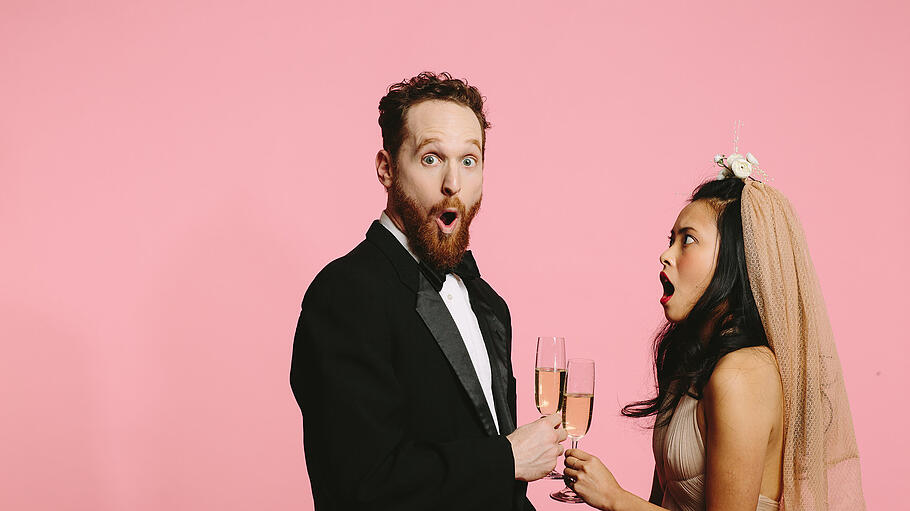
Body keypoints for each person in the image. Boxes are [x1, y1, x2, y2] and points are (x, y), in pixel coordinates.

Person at [290, 72, 566, 510]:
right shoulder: (343, 294)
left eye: (469, 161)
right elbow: (361, 485)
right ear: (386, 168)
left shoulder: (488, 303)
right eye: (432, 158)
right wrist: (506, 457)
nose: (453, 183)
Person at [562, 153, 865, 510]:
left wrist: (614, 499)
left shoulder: (743, 374)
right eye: (671, 239)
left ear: (733, 259)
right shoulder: (693, 367)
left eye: (687, 240)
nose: (665, 254)